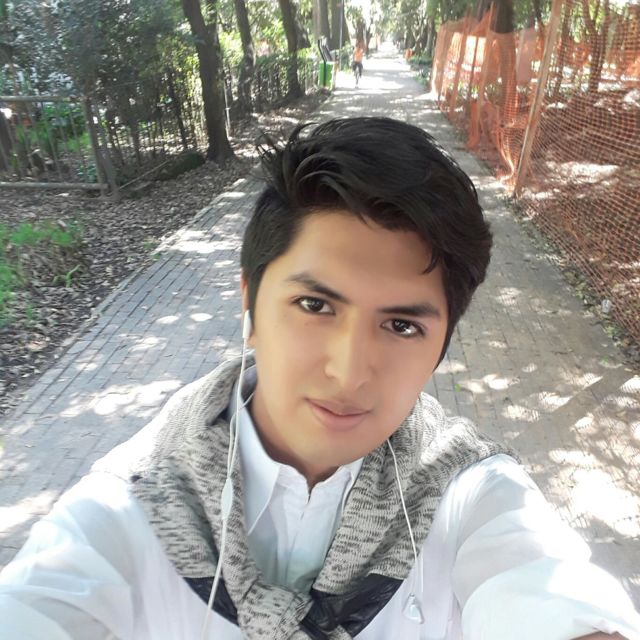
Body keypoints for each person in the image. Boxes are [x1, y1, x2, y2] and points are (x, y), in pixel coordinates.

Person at [0, 117, 639, 640]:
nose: (349, 371)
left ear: (441, 346)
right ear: (250, 303)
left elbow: (542, 582)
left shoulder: (469, 494)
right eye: (314, 305)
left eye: (402, 326)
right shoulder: (130, 504)